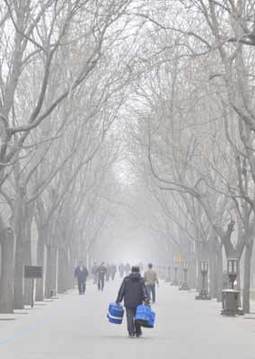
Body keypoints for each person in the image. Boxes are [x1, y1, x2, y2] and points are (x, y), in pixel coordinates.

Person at [116, 266, 149, 338]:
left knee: (129, 318)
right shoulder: (141, 280)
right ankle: (138, 332)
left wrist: (118, 300)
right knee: (138, 317)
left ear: (131, 271)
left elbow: (122, 290)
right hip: (138, 302)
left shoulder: (126, 279)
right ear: (139, 271)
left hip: (128, 302)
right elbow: (144, 291)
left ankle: (131, 332)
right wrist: (146, 299)